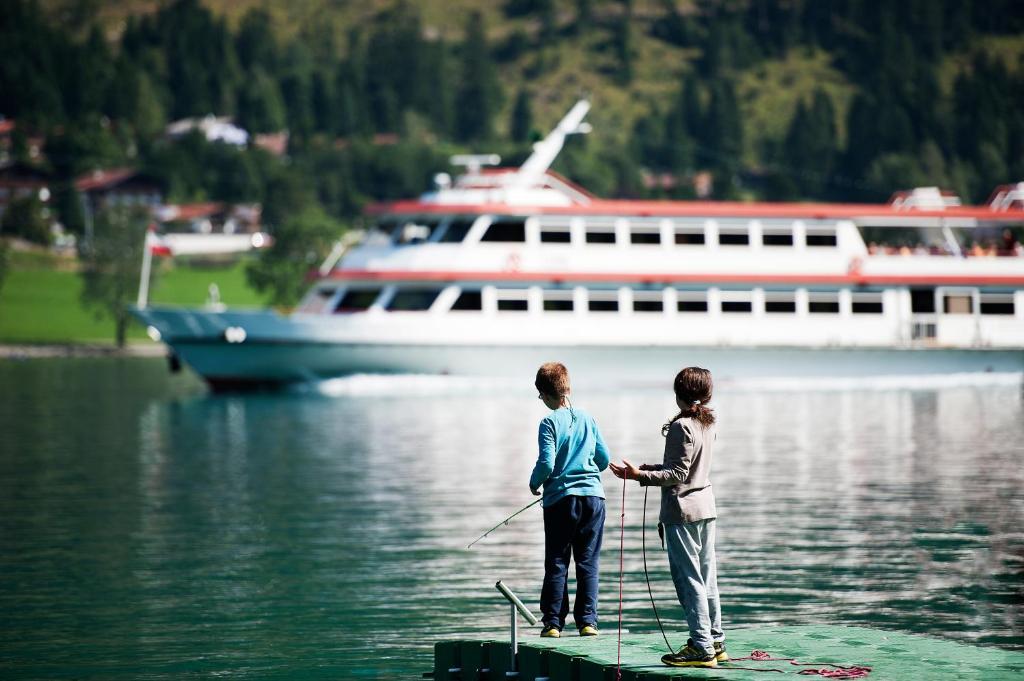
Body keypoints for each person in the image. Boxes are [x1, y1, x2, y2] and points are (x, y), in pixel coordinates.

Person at [610, 367, 726, 668]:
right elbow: (684, 466)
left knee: (690, 580)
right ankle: (715, 639)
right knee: (707, 579)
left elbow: (677, 473)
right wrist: (645, 469)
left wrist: (639, 476)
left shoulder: (681, 426)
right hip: (705, 509)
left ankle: (702, 647)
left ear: (679, 393)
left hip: (683, 513)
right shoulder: (708, 423)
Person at [530, 362, 611, 638]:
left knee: (557, 562)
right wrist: (584, 471)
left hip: (561, 502)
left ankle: (553, 623)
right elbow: (604, 459)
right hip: (594, 500)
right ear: (568, 388)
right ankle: (588, 622)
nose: (541, 400)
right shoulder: (588, 418)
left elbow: (546, 463)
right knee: (588, 562)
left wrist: (534, 482)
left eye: (540, 395)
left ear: (546, 394)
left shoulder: (548, 422)